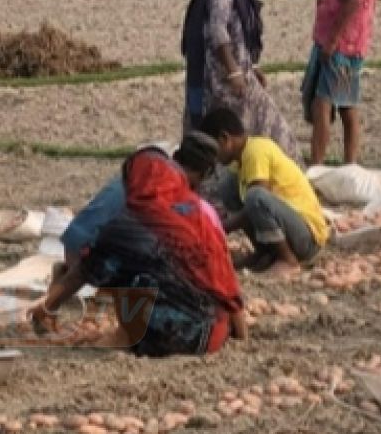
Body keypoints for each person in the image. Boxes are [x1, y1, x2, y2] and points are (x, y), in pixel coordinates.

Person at [31, 146, 247, 357]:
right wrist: (240, 333)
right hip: (213, 335)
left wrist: (47, 307)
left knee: (119, 265)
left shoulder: (126, 225)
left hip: (171, 338)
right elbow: (225, 280)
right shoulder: (198, 215)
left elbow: (81, 273)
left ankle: (124, 336)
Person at [181, 0, 301, 161]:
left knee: (268, 126)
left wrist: (251, 66)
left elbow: (239, 35)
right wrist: (233, 70)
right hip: (222, 78)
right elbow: (217, 30)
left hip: (239, 73)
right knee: (232, 132)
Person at [59, 120, 225, 272]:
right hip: (94, 267)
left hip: (76, 253)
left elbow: (78, 234)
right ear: (203, 174)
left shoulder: (141, 171)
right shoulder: (167, 194)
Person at [206, 108, 329, 277]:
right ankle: (265, 252)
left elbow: (256, 201)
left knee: (255, 197)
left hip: (307, 237)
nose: (214, 158)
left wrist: (222, 227)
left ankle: (288, 260)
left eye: (214, 150)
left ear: (224, 138)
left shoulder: (256, 151)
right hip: (291, 227)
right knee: (228, 186)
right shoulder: (241, 160)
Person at [303, 0, 379, 166]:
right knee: (348, 104)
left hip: (341, 44)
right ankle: (350, 163)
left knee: (322, 103)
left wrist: (332, 40)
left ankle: (317, 163)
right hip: (356, 42)